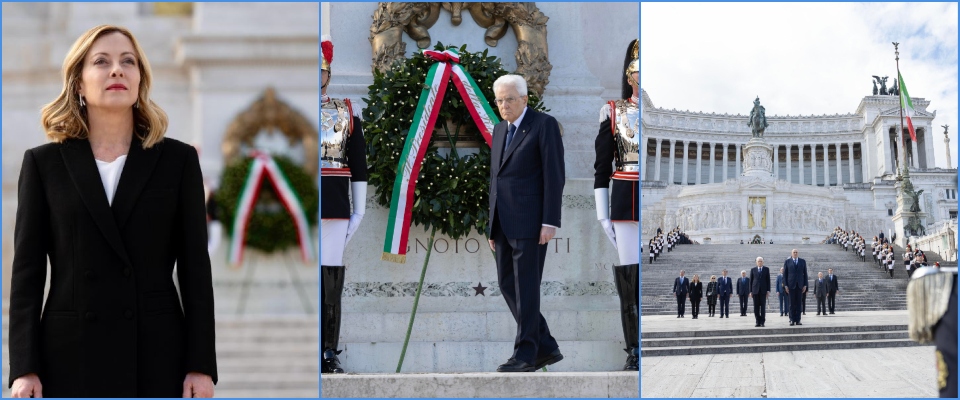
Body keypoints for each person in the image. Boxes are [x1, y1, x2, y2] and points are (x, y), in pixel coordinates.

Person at [8, 25, 217, 398]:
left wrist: (200, 366)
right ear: (78, 83)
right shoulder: (44, 164)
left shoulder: (178, 161)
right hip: (68, 356)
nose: (117, 70)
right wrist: (25, 368)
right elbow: (26, 275)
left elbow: (196, 272)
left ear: (140, 79)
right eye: (101, 62)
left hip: (156, 355)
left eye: (128, 62)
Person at [487, 74, 565, 373]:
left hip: (532, 223)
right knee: (508, 285)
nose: (504, 105)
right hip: (502, 223)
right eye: (499, 100)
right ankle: (545, 345)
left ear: (524, 99)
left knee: (527, 288)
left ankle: (526, 354)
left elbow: (555, 175)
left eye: (509, 99)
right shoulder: (498, 129)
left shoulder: (543, 125)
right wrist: (491, 224)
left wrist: (550, 221)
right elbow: (495, 179)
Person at [320, 36, 368, 374]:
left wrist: (360, 208)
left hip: (333, 200)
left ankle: (326, 351)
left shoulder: (345, 110)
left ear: (327, 73)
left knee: (329, 274)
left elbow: (359, 162)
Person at [594, 39, 639, 371]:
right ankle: (634, 349)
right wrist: (602, 213)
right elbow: (601, 166)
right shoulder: (614, 111)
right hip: (625, 199)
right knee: (630, 276)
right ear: (630, 74)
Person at [783, 248, 808, 326]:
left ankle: (798, 320)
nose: (795, 253)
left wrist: (805, 285)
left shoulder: (802, 261)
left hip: (800, 285)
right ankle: (791, 319)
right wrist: (785, 285)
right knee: (791, 303)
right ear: (791, 253)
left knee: (799, 303)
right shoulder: (787, 262)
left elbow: (805, 274)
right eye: (794, 252)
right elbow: (785, 275)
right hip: (791, 285)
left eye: (796, 252)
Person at [750, 257, 771, 327]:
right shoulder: (753, 270)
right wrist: (750, 291)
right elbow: (751, 281)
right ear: (756, 262)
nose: (760, 262)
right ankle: (757, 321)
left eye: (761, 261)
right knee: (756, 307)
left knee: (763, 307)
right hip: (755, 290)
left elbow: (768, 280)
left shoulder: (766, 269)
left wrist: (768, 290)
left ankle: (762, 321)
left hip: (763, 290)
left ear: (763, 262)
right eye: (758, 261)